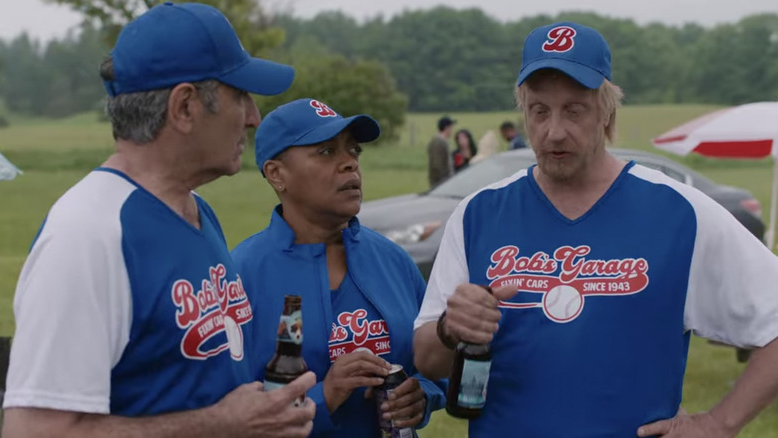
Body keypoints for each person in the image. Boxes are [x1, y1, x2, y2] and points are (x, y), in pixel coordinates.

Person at [413, 21, 778, 438]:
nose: (554, 131)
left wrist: (718, 423)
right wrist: (449, 329)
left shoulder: (679, 211)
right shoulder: (478, 213)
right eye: (539, 110)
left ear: (606, 110)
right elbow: (427, 359)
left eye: (574, 109)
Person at [2, 3, 316, 438]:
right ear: (185, 107)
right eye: (240, 95)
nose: (253, 118)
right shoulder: (89, 234)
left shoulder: (196, 209)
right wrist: (221, 425)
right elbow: (33, 431)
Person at [231, 98, 446, 437]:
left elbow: (435, 362)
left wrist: (423, 394)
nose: (350, 164)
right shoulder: (241, 275)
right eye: (327, 152)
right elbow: (225, 414)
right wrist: (323, 396)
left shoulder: (392, 260)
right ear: (277, 174)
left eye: (354, 150)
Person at [427, 115, 456, 188]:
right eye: (451, 128)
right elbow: (437, 165)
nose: (452, 130)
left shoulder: (443, 141)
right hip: (440, 183)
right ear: (446, 128)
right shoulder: (438, 142)